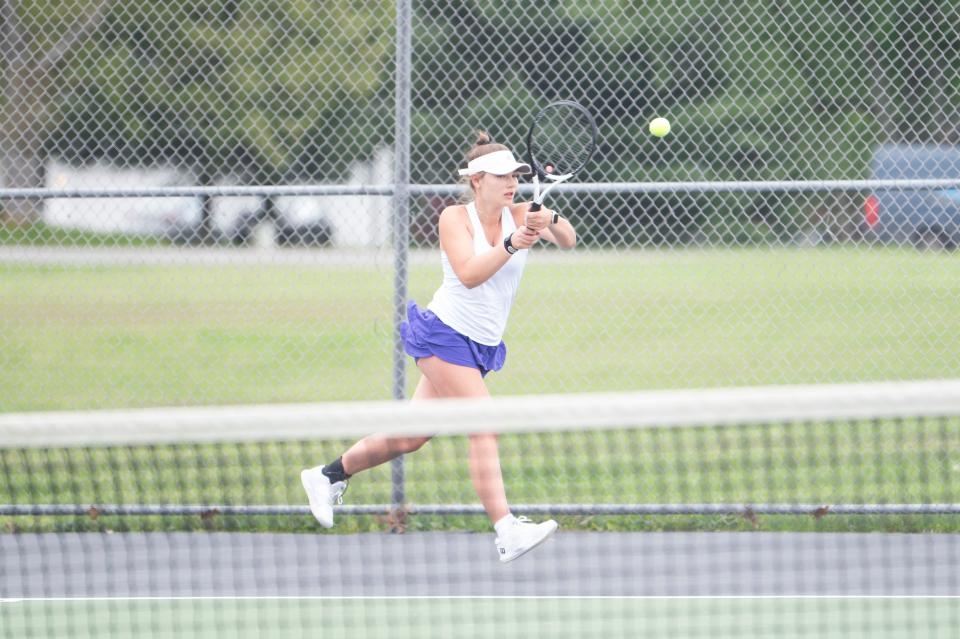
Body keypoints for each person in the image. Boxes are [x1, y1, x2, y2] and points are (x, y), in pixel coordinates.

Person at [301, 131, 577, 563]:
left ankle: (327, 474)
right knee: (484, 423)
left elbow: (568, 239)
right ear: (476, 181)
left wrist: (549, 222)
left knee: (410, 436)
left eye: (517, 176)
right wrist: (513, 243)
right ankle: (506, 529)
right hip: (443, 334)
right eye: (502, 176)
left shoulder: (523, 212)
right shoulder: (454, 218)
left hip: (480, 344)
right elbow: (468, 273)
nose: (512, 183)